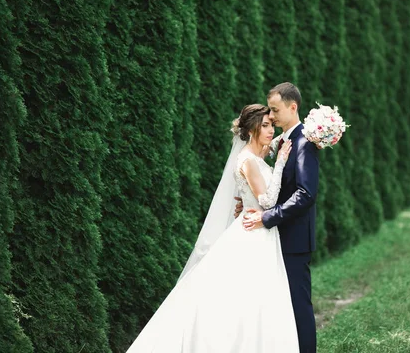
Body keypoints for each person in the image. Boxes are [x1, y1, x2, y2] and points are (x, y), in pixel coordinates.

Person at [126, 104, 298, 353]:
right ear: (251, 129)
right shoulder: (248, 160)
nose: (271, 130)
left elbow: (274, 153)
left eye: (271, 125)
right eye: (265, 126)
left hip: (261, 230)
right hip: (253, 233)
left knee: (259, 301)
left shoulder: (257, 156)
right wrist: (281, 163)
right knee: (243, 300)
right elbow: (268, 201)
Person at [239, 82, 319, 353]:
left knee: (298, 306)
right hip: (273, 238)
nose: (271, 117)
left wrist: (267, 217)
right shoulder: (282, 141)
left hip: (294, 237)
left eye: (274, 110)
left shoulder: (304, 142)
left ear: (292, 107)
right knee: (277, 308)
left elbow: (305, 194)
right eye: (268, 112)